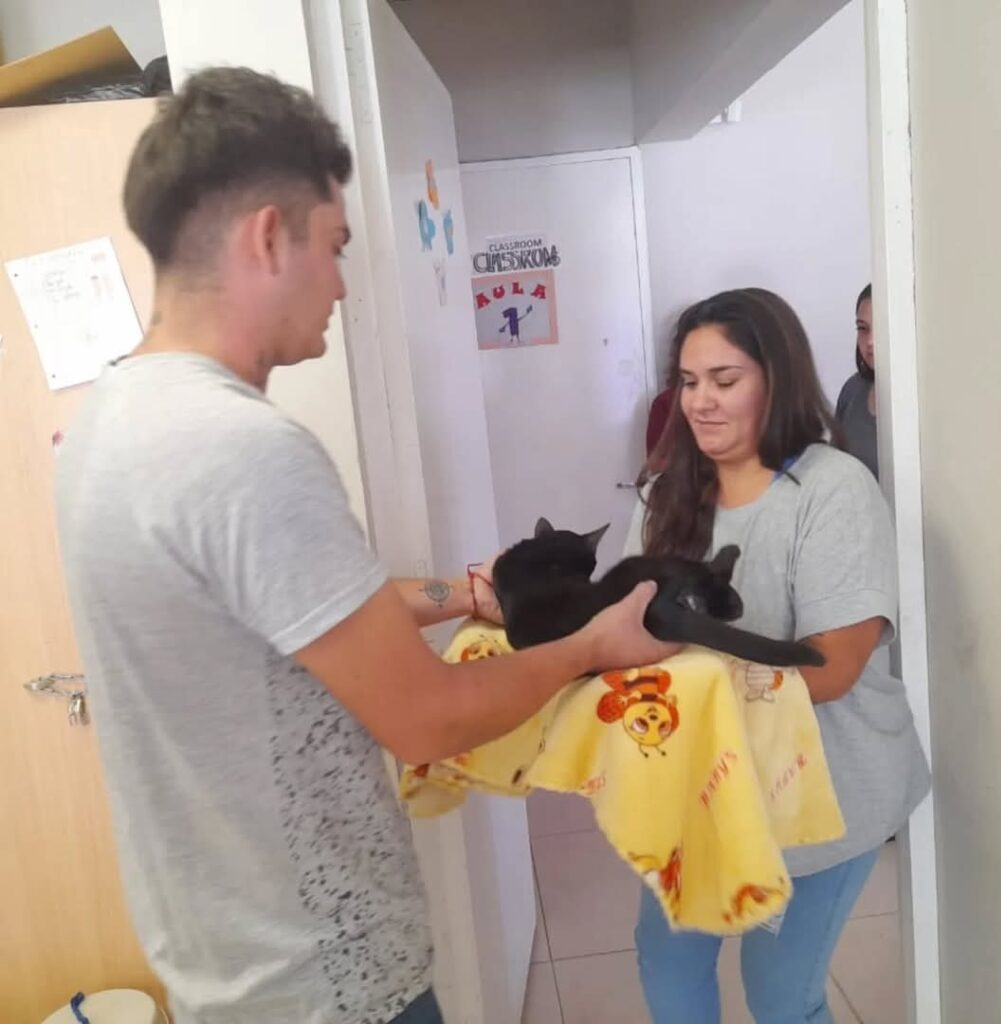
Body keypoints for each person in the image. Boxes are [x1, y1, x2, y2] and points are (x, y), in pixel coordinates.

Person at [54, 68, 679, 1024]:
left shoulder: (108, 421)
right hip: (328, 985)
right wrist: (591, 646)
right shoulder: (242, 449)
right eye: (335, 246)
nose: (342, 285)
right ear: (270, 236)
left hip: (225, 969)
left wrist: (458, 596)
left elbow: (276, 621)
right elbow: (428, 720)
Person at [627, 288, 930, 1023]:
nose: (700, 401)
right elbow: (633, 629)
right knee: (666, 957)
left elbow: (831, 669)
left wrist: (682, 680)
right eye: (689, 382)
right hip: (702, 785)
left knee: (780, 993)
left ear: (778, 379)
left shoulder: (832, 490)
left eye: (724, 380)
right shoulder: (667, 494)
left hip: (822, 795)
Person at [835, 283, 878, 478]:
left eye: (881, 327)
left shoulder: (924, 397)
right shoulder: (852, 390)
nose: (870, 342)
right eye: (863, 328)